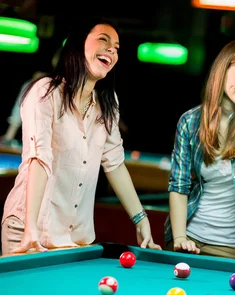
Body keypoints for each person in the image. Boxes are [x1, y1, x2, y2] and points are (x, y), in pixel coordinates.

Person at [1, 18, 161, 254]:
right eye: (103, 40)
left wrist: (141, 220)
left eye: (116, 48)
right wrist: (31, 227)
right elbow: (39, 159)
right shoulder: (46, 92)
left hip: (76, 236)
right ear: (78, 45)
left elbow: (115, 164)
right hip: (29, 230)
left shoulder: (107, 104)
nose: (111, 50)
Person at [165, 39, 235, 264]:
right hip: (188, 240)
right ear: (222, 70)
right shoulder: (190, 121)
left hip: (233, 248)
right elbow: (179, 185)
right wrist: (179, 238)